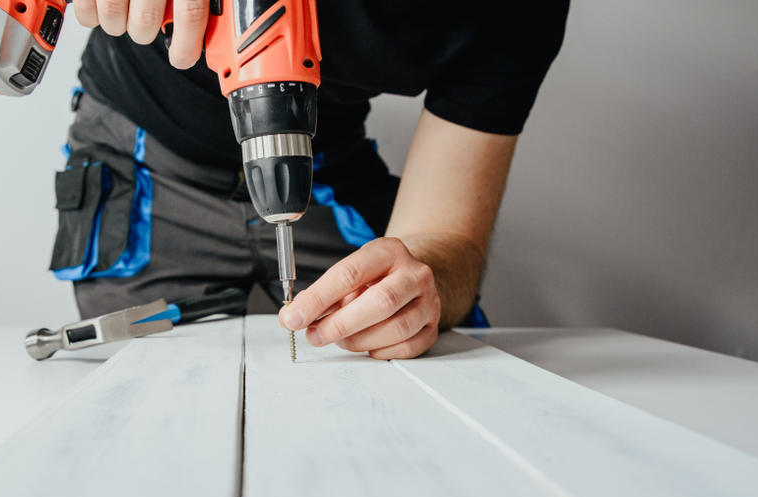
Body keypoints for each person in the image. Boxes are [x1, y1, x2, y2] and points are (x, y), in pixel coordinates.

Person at [50, 0, 569, 359]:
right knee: (138, 387)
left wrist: (417, 290)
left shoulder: (519, 11)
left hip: (323, 167)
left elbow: (448, 232)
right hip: (145, 149)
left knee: (427, 351)